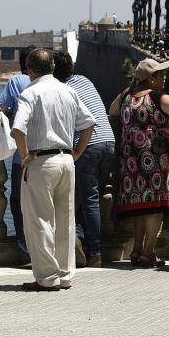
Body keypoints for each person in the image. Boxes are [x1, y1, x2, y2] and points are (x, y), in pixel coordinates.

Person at [11, 49, 96, 291]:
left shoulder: (30, 93)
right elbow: (89, 123)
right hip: (66, 159)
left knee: (40, 220)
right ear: (53, 68)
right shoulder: (68, 91)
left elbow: (18, 128)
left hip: (41, 161)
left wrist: (25, 155)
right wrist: (77, 152)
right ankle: (66, 274)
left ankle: (47, 277)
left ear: (29, 69)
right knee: (65, 219)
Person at [109, 58, 169, 267]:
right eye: (160, 75)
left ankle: (136, 250)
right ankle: (148, 252)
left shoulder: (127, 95)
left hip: (131, 159)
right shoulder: (156, 96)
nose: (163, 78)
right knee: (154, 205)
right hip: (154, 157)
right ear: (151, 78)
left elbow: (112, 111)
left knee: (139, 205)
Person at [53, 50, 115, 268]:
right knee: (91, 197)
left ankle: (95, 252)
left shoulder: (63, 90)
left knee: (88, 199)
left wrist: (76, 151)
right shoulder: (85, 81)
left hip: (88, 145)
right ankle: (81, 238)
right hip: (109, 141)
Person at [0, 45, 36, 266]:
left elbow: (2, 109)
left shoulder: (16, 82)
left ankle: (25, 252)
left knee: (18, 203)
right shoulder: (55, 85)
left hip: (21, 155)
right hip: (51, 153)